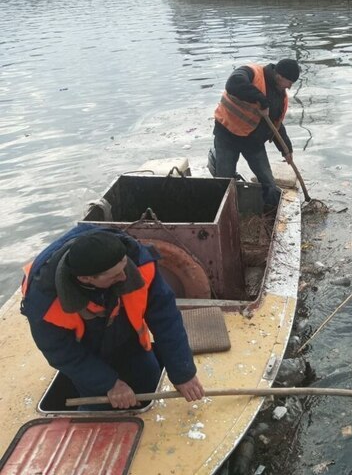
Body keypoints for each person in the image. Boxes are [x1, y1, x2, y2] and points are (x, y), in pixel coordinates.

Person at [20, 226, 204, 410]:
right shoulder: (44, 303)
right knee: (100, 407)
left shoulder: (138, 263)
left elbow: (166, 319)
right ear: (86, 279)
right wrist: (108, 384)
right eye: (115, 275)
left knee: (150, 384)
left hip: (132, 344)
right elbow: (60, 351)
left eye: (124, 266)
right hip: (88, 355)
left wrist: (183, 373)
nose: (125, 276)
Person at [210, 58, 301, 209]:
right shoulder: (252, 73)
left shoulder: (280, 97)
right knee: (224, 182)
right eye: (290, 82)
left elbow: (276, 126)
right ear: (279, 76)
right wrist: (261, 100)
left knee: (269, 184)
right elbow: (233, 83)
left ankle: (270, 214)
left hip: (253, 143)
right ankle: (225, 213)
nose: (290, 87)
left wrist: (286, 150)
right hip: (227, 136)